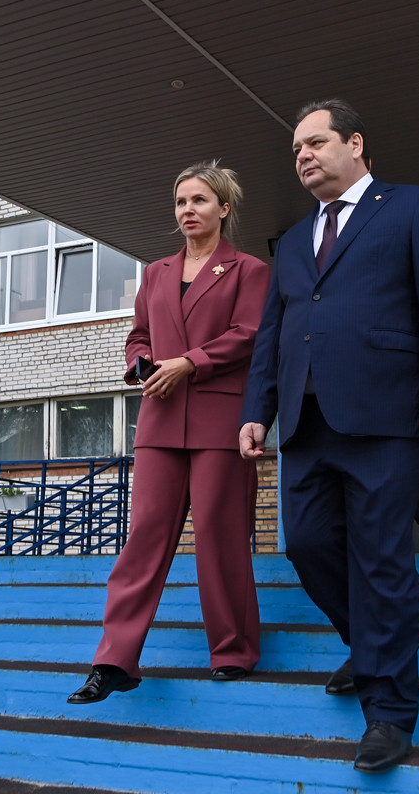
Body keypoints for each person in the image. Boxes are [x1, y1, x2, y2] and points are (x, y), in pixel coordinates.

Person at [239, 99, 419, 773]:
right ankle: (369, 646)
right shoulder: (293, 239)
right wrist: (257, 410)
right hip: (305, 423)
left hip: (386, 415)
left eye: (315, 142)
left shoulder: (413, 207)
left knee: (381, 561)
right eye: (296, 149)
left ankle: (389, 712)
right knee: (309, 546)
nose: (303, 155)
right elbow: (273, 335)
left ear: (356, 143)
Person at [68, 161, 269, 704]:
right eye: (181, 202)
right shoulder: (155, 272)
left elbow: (250, 334)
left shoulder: (250, 270)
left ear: (223, 208)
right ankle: (114, 660)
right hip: (159, 419)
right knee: (144, 539)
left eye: (199, 200)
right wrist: (140, 364)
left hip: (219, 420)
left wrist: (189, 362)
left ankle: (233, 650)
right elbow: (138, 336)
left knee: (222, 537)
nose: (188, 210)